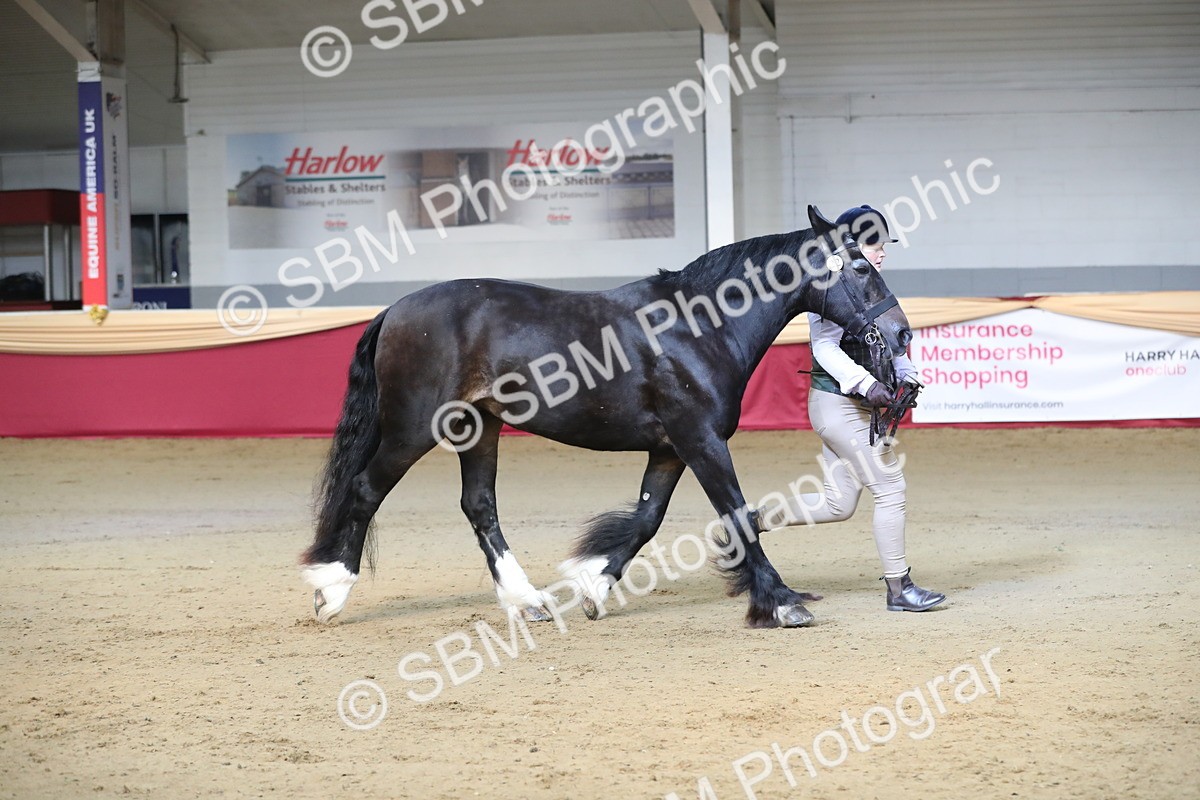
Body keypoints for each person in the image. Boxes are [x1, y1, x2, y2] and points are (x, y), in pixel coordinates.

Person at [767, 205, 946, 612]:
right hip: (837, 406)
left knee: (837, 504)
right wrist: (866, 384)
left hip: (859, 409)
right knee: (891, 490)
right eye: (874, 245)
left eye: (883, 246)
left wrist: (908, 373)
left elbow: (891, 343)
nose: (882, 253)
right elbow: (825, 346)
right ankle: (899, 590)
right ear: (850, 246)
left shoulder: (870, 286)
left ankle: (752, 522)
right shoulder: (829, 287)